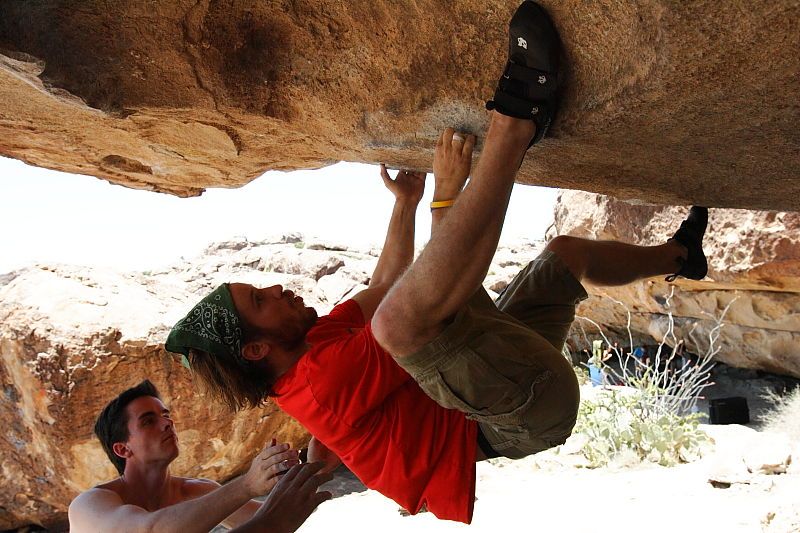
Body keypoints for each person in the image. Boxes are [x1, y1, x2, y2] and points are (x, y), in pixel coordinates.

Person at [165, 1, 709, 524]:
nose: (278, 290)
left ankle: (681, 256)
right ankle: (516, 121)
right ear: (255, 349)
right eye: (260, 301)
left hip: (502, 373)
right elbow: (417, 308)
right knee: (401, 324)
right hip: (518, 415)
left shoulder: (317, 341)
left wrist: (405, 204)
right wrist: (444, 199)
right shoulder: (318, 387)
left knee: (565, 256)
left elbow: (387, 283)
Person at [68, 380, 332, 533]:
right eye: (148, 421)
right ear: (123, 449)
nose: (167, 423)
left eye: (166, 415)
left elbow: (279, 518)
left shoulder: (197, 491)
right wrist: (247, 485)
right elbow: (149, 530)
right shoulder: (89, 506)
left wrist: (314, 469)